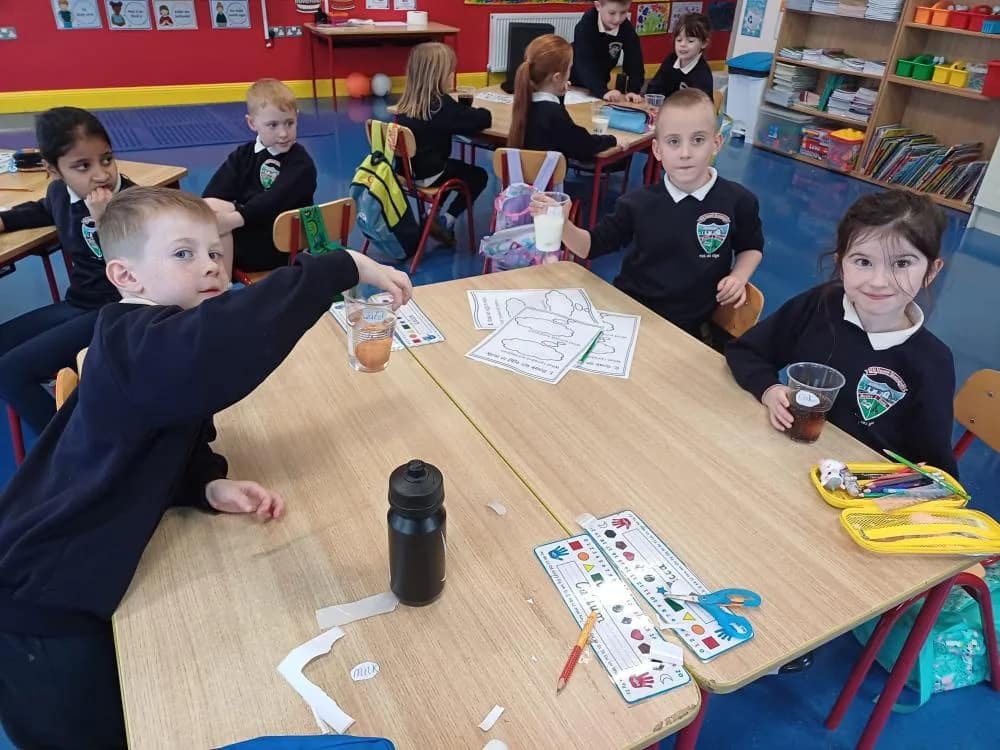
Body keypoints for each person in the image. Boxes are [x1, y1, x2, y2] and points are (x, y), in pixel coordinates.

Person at [0, 186, 411, 749]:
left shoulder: (150, 344)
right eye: (183, 253)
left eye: (215, 252)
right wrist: (339, 266)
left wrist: (204, 484)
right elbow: (222, 339)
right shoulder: (137, 343)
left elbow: (162, 432)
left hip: (60, 582)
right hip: (39, 603)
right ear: (126, 276)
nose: (211, 265)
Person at [726, 189, 957, 477]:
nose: (879, 281)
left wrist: (916, 480)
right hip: (783, 462)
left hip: (858, 490)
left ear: (931, 271)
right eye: (863, 262)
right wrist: (769, 390)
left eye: (902, 263)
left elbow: (938, 471)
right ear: (841, 263)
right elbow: (746, 351)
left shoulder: (933, 361)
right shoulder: (819, 304)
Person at [552, 88, 763, 338]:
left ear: (716, 143)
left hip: (688, 330)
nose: (685, 153)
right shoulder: (637, 203)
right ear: (657, 149)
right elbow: (591, 246)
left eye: (698, 140)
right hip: (630, 315)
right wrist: (562, 225)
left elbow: (751, 247)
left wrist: (739, 276)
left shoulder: (739, 201)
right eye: (673, 142)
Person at [0, 106, 135, 435]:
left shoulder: (133, 202)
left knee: (11, 372)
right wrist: (5, 220)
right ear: (53, 170)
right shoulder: (60, 192)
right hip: (80, 303)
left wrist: (105, 220)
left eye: (106, 159)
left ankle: (72, 447)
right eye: (83, 166)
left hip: (121, 310)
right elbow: (45, 209)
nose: (101, 174)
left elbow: (140, 272)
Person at [202, 78, 317, 273]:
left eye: (289, 123)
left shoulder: (301, 164)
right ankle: (221, 280)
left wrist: (234, 217)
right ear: (252, 123)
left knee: (221, 227)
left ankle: (222, 283)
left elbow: (274, 201)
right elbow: (213, 193)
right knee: (209, 207)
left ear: (297, 117)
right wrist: (226, 210)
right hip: (252, 233)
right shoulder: (243, 155)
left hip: (281, 248)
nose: (283, 133)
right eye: (273, 125)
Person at [395, 42, 492, 247]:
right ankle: (447, 219)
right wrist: (477, 110)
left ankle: (433, 213)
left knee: (450, 168)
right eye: (450, 72)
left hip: (406, 173)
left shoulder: (405, 104)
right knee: (478, 176)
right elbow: (483, 119)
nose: (452, 76)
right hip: (430, 174)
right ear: (438, 76)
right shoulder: (441, 105)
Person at [509, 34, 619, 163]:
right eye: (569, 68)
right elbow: (585, 145)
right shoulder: (553, 113)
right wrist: (612, 139)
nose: (570, 74)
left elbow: (564, 132)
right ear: (556, 77)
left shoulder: (526, 101)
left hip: (521, 174)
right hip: (548, 175)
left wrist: (559, 96)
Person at [570, 0, 645, 103]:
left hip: (600, 84)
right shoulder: (584, 27)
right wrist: (602, 91)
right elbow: (584, 64)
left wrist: (633, 90)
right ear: (598, 6)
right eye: (612, 13)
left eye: (623, 12)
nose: (617, 19)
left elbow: (635, 61)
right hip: (574, 83)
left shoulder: (626, 28)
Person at [647, 12, 715, 100]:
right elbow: (653, 89)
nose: (683, 45)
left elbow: (700, 105)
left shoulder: (702, 74)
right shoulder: (671, 60)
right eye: (679, 40)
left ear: (704, 43)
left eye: (690, 41)